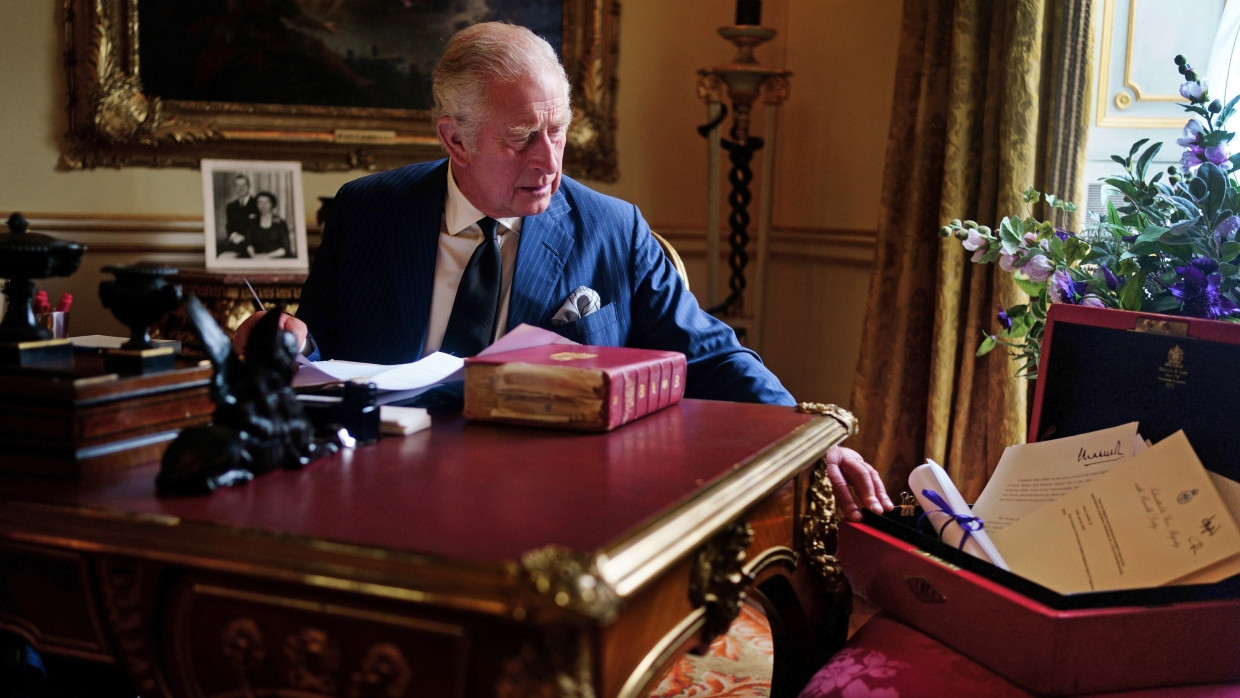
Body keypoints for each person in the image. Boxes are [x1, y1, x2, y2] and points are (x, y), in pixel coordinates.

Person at [232, 21, 892, 521]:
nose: (549, 161)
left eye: (558, 130)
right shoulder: (368, 211)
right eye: (521, 136)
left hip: (549, 507)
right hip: (381, 494)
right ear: (455, 139)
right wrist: (282, 341)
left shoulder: (612, 228)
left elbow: (711, 354)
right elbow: (320, 345)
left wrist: (809, 441)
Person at [245, 191, 293, 259]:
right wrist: (254, 256)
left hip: (277, 258)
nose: (263, 205)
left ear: (272, 204)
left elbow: (285, 248)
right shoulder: (252, 222)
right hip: (256, 258)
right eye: (260, 202)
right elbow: (248, 244)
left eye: (266, 202)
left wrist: (266, 257)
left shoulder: (280, 222)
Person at [221, 174, 258, 257]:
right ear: (234, 188)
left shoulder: (257, 203)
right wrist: (234, 235)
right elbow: (229, 226)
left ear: (249, 187)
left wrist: (245, 238)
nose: (241, 188)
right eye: (237, 186)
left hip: (254, 243)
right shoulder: (231, 206)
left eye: (243, 185)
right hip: (236, 242)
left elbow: (259, 227)